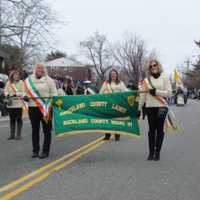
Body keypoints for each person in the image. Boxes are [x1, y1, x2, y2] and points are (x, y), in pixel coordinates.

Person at [138, 60, 172, 161]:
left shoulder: (164, 77)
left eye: (154, 65)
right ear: (149, 69)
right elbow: (142, 96)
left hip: (161, 106)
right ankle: (151, 152)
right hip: (150, 107)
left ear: (158, 66)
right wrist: (139, 108)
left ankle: (157, 152)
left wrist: (157, 91)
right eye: (151, 66)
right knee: (151, 130)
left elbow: (169, 93)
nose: (153, 67)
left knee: (160, 130)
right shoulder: (146, 81)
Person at [24, 64, 58, 159]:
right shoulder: (28, 80)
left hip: (46, 108)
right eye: (38, 68)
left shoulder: (49, 80)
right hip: (33, 108)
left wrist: (52, 100)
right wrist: (25, 97)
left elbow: (54, 93)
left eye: (42, 68)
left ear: (44, 70)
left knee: (46, 130)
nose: (40, 70)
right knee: (35, 130)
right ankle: (35, 150)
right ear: (35, 69)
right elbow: (24, 92)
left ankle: (45, 151)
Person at [100, 68, 128, 141]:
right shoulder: (106, 83)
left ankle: (117, 135)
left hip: (117, 104)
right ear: (110, 75)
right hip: (108, 104)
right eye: (112, 74)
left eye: (114, 74)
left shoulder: (120, 83)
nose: (113, 75)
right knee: (108, 120)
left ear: (117, 75)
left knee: (117, 120)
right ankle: (107, 135)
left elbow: (125, 93)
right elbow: (100, 93)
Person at [4, 70, 25, 140]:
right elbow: (5, 91)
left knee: (19, 119)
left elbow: (24, 92)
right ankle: (12, 135)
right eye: (15, 75)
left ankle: (18, 135)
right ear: (12, 76)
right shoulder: (8, 83)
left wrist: (17, 94)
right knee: (12, 119)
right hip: (11, 103)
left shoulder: (21, 82)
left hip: (18, 103)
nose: (16, 76)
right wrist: (7, 95)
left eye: (18, 75)